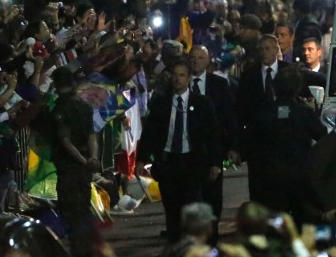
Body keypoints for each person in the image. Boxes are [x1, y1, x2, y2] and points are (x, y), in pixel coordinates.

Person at [138, 60, 222, 242]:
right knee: (172, 209)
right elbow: (150, 132)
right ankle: (175, 246)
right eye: (175, 75)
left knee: (192, 207)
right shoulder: (161, 102)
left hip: (192, 163)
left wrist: (216, 162)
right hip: (169, 163)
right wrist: (142, 158)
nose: (177, 79)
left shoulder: (201, 103)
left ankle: (195, 246)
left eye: (182, 75)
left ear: (189, 79)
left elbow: (212, 134)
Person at [243, 66, 325, 217]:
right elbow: (322, 135)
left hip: (269, 178)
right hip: (299, 177)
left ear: (274, 87)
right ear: (298, 88)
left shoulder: (263, 113)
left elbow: (250, 143)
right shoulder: (304, 113)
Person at [50, 66, 99, 257]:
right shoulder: (84, 106)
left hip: (70, 167)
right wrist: (92, 158)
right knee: (84, 212)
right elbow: (92, 136)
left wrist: (82, 160)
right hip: (84, 167)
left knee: (72, 215)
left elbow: (65, 141)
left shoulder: (60, 109)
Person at [188, 45, 237, 241]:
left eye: (200, 58)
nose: (196, 61)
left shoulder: (219, 84)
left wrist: (233, 146)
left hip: (212, 151)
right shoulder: (180, 83)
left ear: (207, 61)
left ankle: (212, 235)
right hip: (187, 150)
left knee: (213, 196)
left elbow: (229, 117)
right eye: (193, 57)